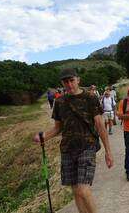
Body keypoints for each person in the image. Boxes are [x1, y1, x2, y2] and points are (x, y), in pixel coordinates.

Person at [33, 68, 114, 213]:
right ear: (62, 83)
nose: (69, 84)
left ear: (78, 80)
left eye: (71, 80)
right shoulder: (59, 101)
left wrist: (108, 152)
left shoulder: (90, 98)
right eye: (66, 81)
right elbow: (58, 128)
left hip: (87, 146)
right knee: (76, 190)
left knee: (83, 189)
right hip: (67, 149)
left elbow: (100, 126)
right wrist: (44, 136)